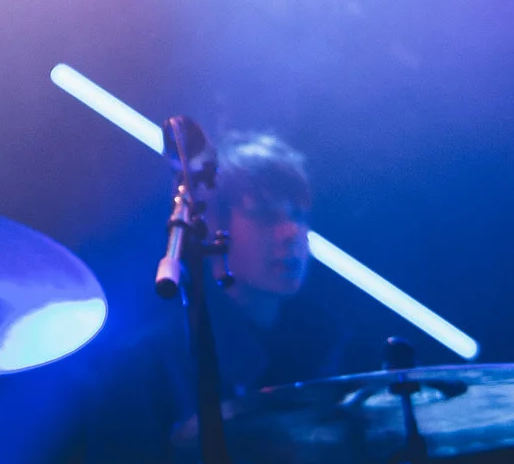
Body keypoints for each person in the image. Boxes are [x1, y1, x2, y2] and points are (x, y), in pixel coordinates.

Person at [74, 132, 347, 462]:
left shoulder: (324, 342)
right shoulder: (146, 366)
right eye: (266, 215)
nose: (292, 232)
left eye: (299, 216)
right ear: (212, 225)